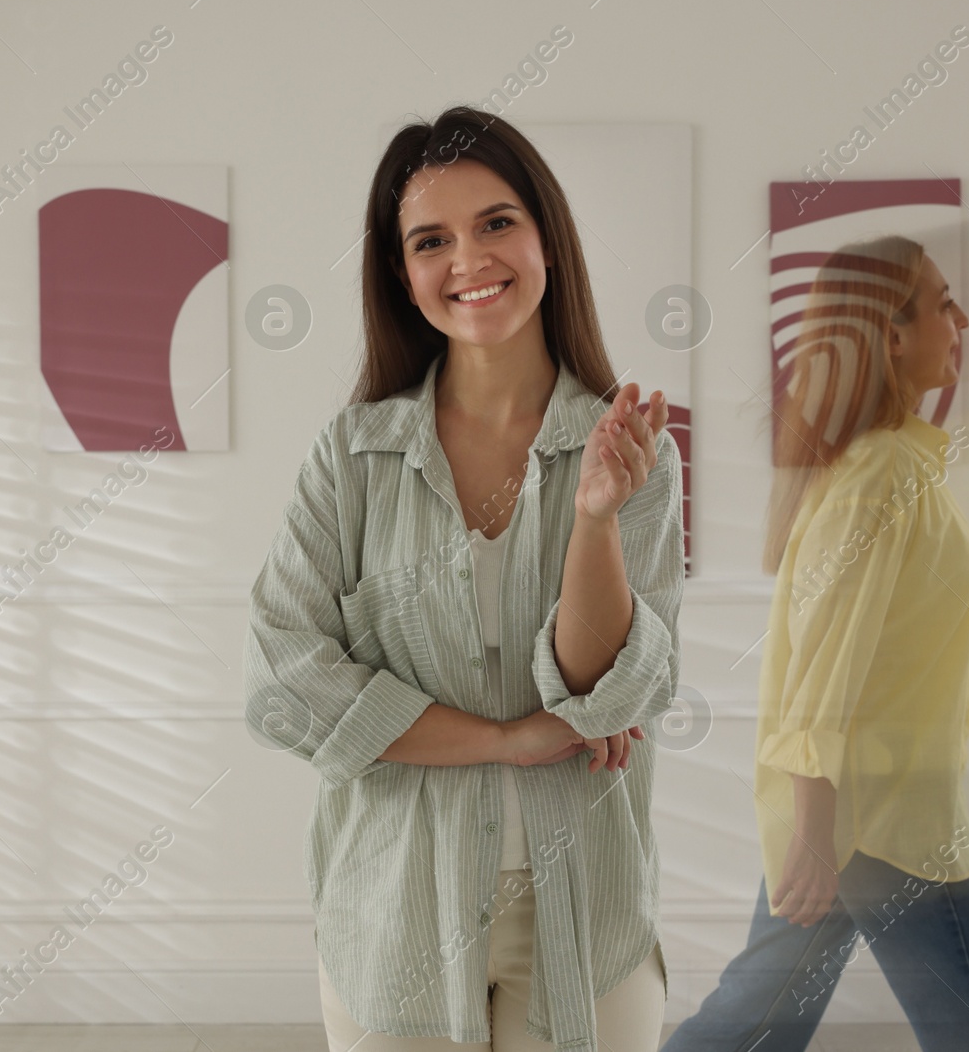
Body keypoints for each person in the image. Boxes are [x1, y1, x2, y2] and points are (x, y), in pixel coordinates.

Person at [244, 105, 687, 1050]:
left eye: (496, 223)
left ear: (546, 239)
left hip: (586, 914)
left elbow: (608, 692)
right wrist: (511, 739)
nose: (469, 260)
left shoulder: (632, 448)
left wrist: (596, 514)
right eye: (431, 240)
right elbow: (284, 678)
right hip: (396, 915)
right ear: (402, 276)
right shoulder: (352, 457)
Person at [660, 236, 969, 1052]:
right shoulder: (881, 475)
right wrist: (817, 834)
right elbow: (827, 658)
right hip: (887, 824)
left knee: (749, 1030)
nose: (960, 320)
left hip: (857, 818)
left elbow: (946, 623)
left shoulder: (892, 469)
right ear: (891, 334)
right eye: (941, 301)